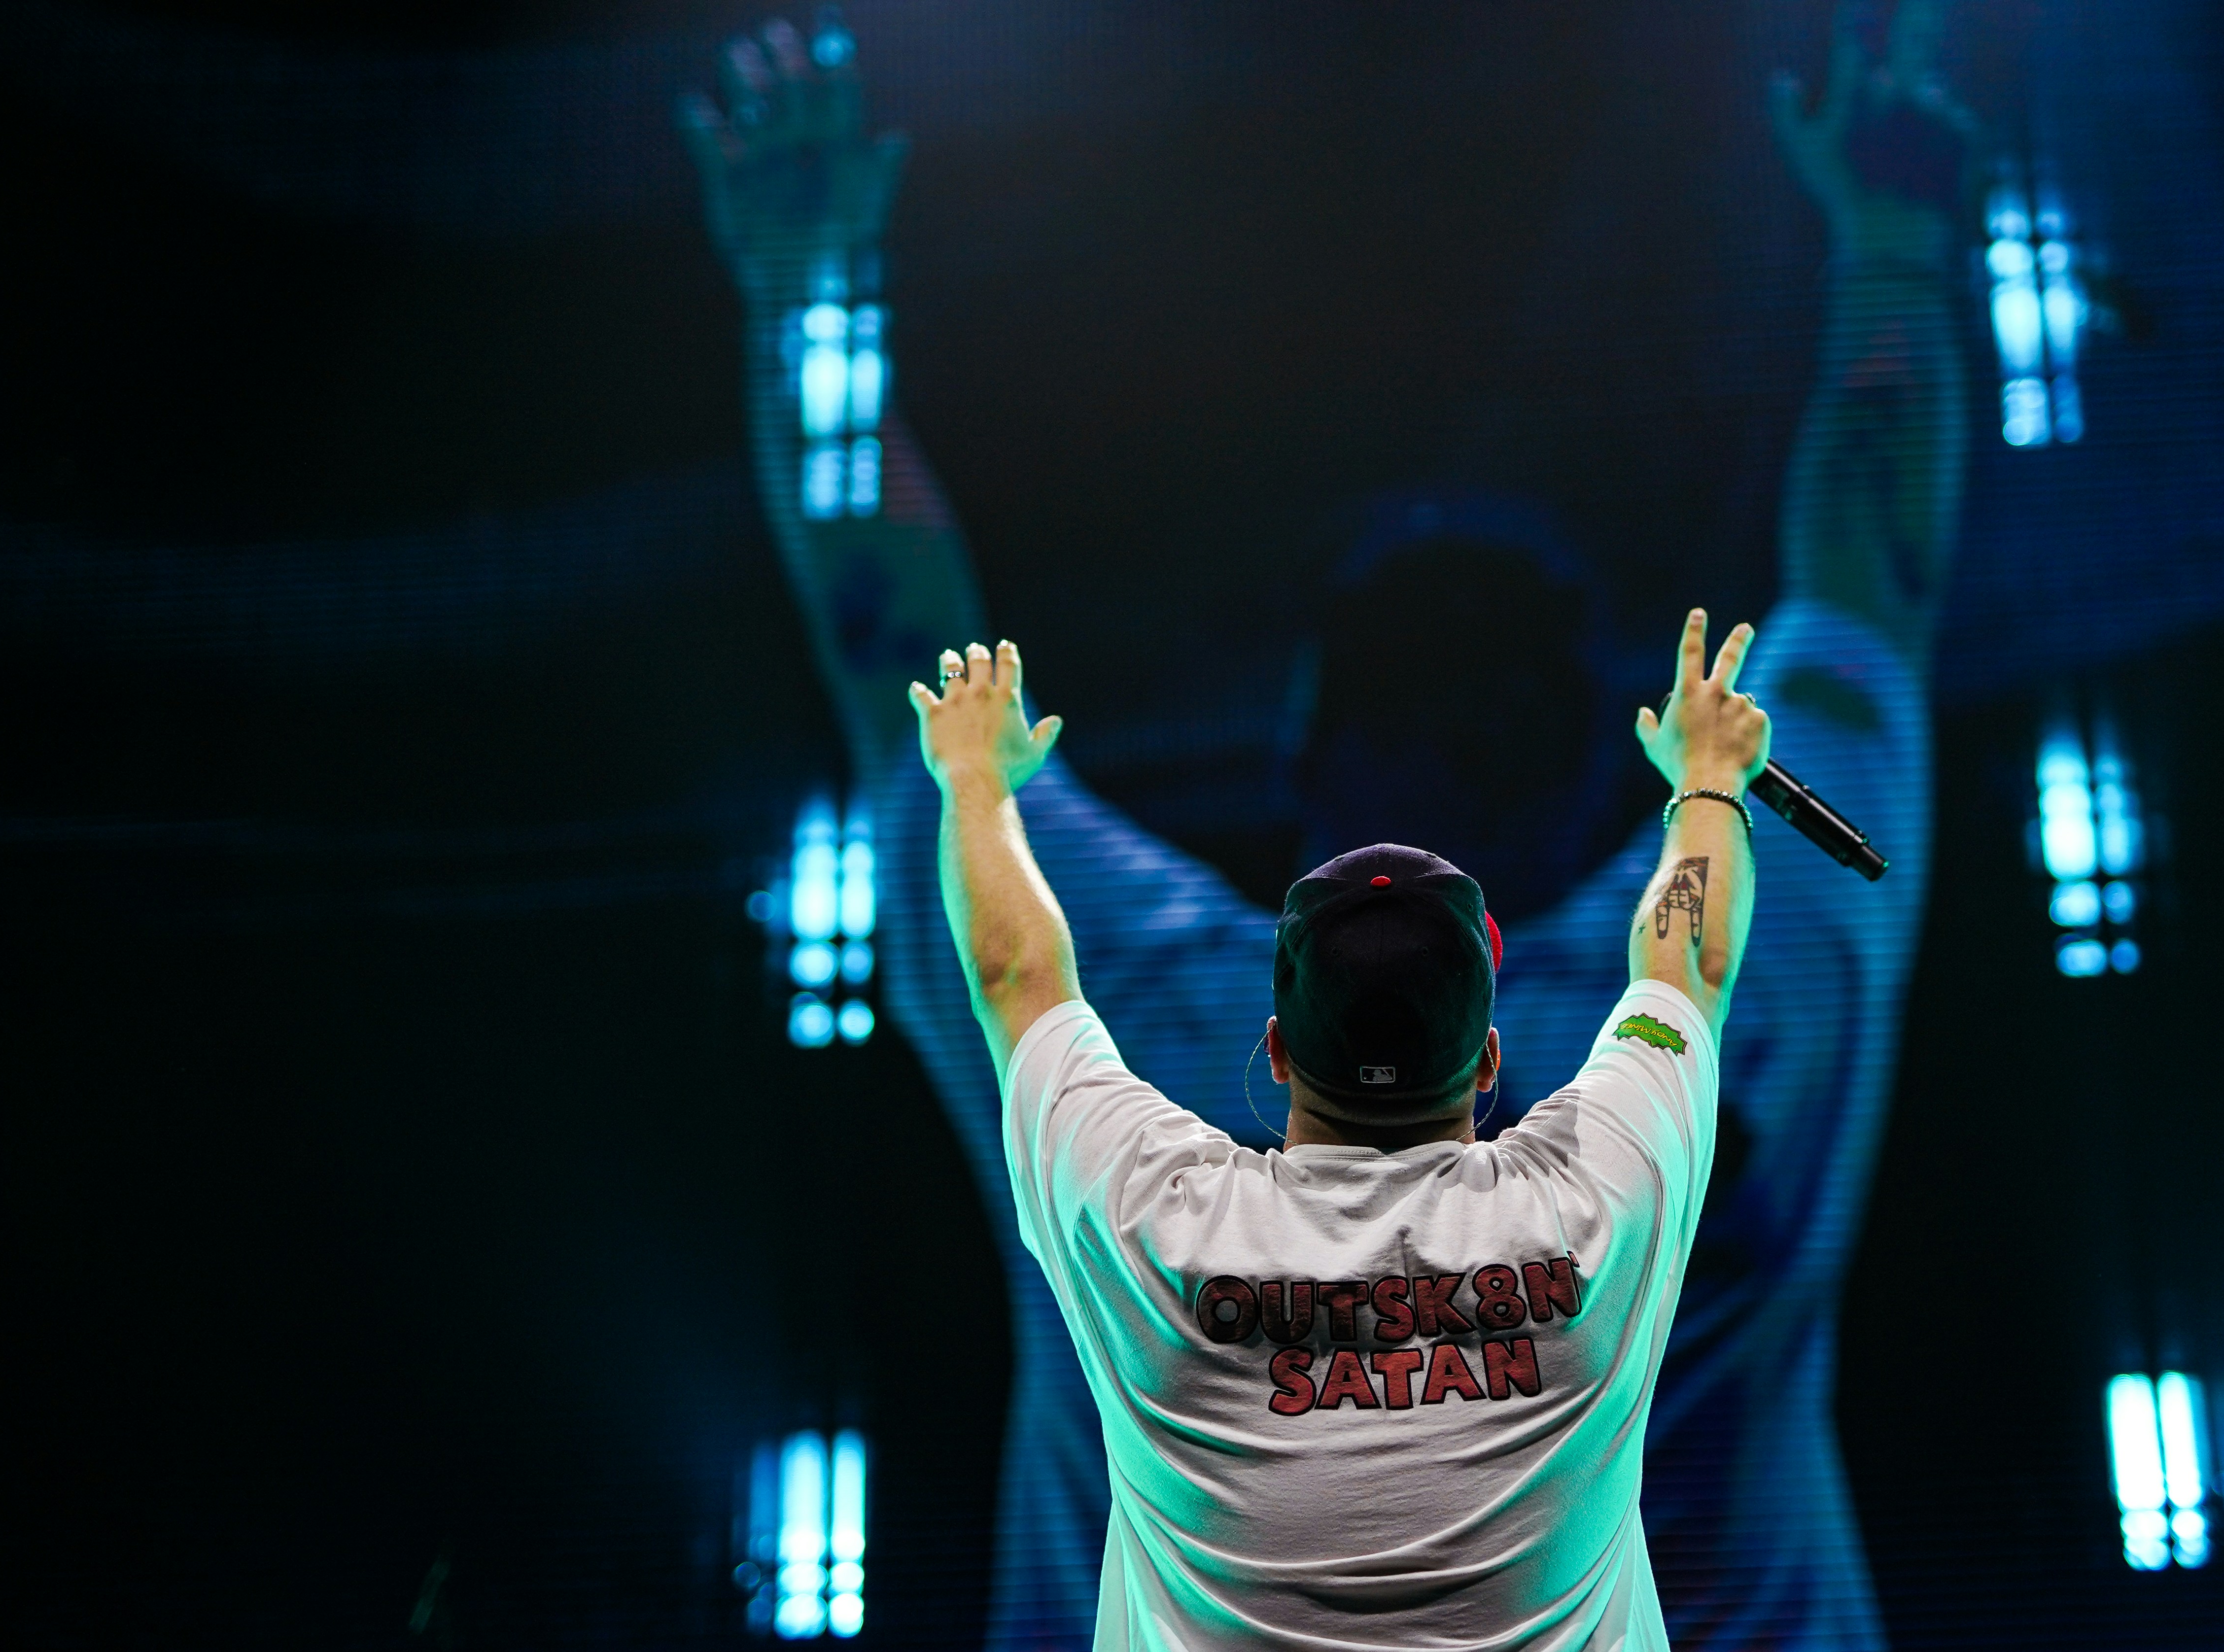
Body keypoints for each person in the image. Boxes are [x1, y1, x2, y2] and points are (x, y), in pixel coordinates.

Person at [685, 7, 1967, 1645]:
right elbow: (1870, 581)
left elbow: (893, 662)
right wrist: (1894, 243)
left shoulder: (1149, 1056)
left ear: (1276, 1053)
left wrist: (812, 271)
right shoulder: (1700, 1069)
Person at [908, 614, 1761, 1647]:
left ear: (1276, 1046)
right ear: (1489, 1061)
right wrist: (1709, 776)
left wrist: (972, 778)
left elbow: (1015, 973)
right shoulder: (1598, 1192)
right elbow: (1686, 965)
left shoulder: (1151, 1211)